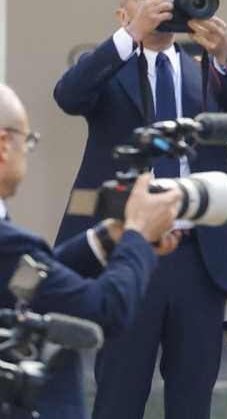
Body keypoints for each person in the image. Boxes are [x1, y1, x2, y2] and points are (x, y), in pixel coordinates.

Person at [52, 0, 227, 419]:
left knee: (193, 398)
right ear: (122, 14)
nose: (161, 4)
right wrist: (132, 36)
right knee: (119, 391)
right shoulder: (108, 69)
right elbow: (68, 96)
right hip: (131, 252)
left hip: (199, 254)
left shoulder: (206, 71)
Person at [0, 83, 183, 419]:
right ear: (3, 146)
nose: (28, 151)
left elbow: (27, 283)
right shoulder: (9, 242)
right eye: (28, 142)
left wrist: (105, 239)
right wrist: (137, 236)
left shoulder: (11, 249)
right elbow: (105, 309)